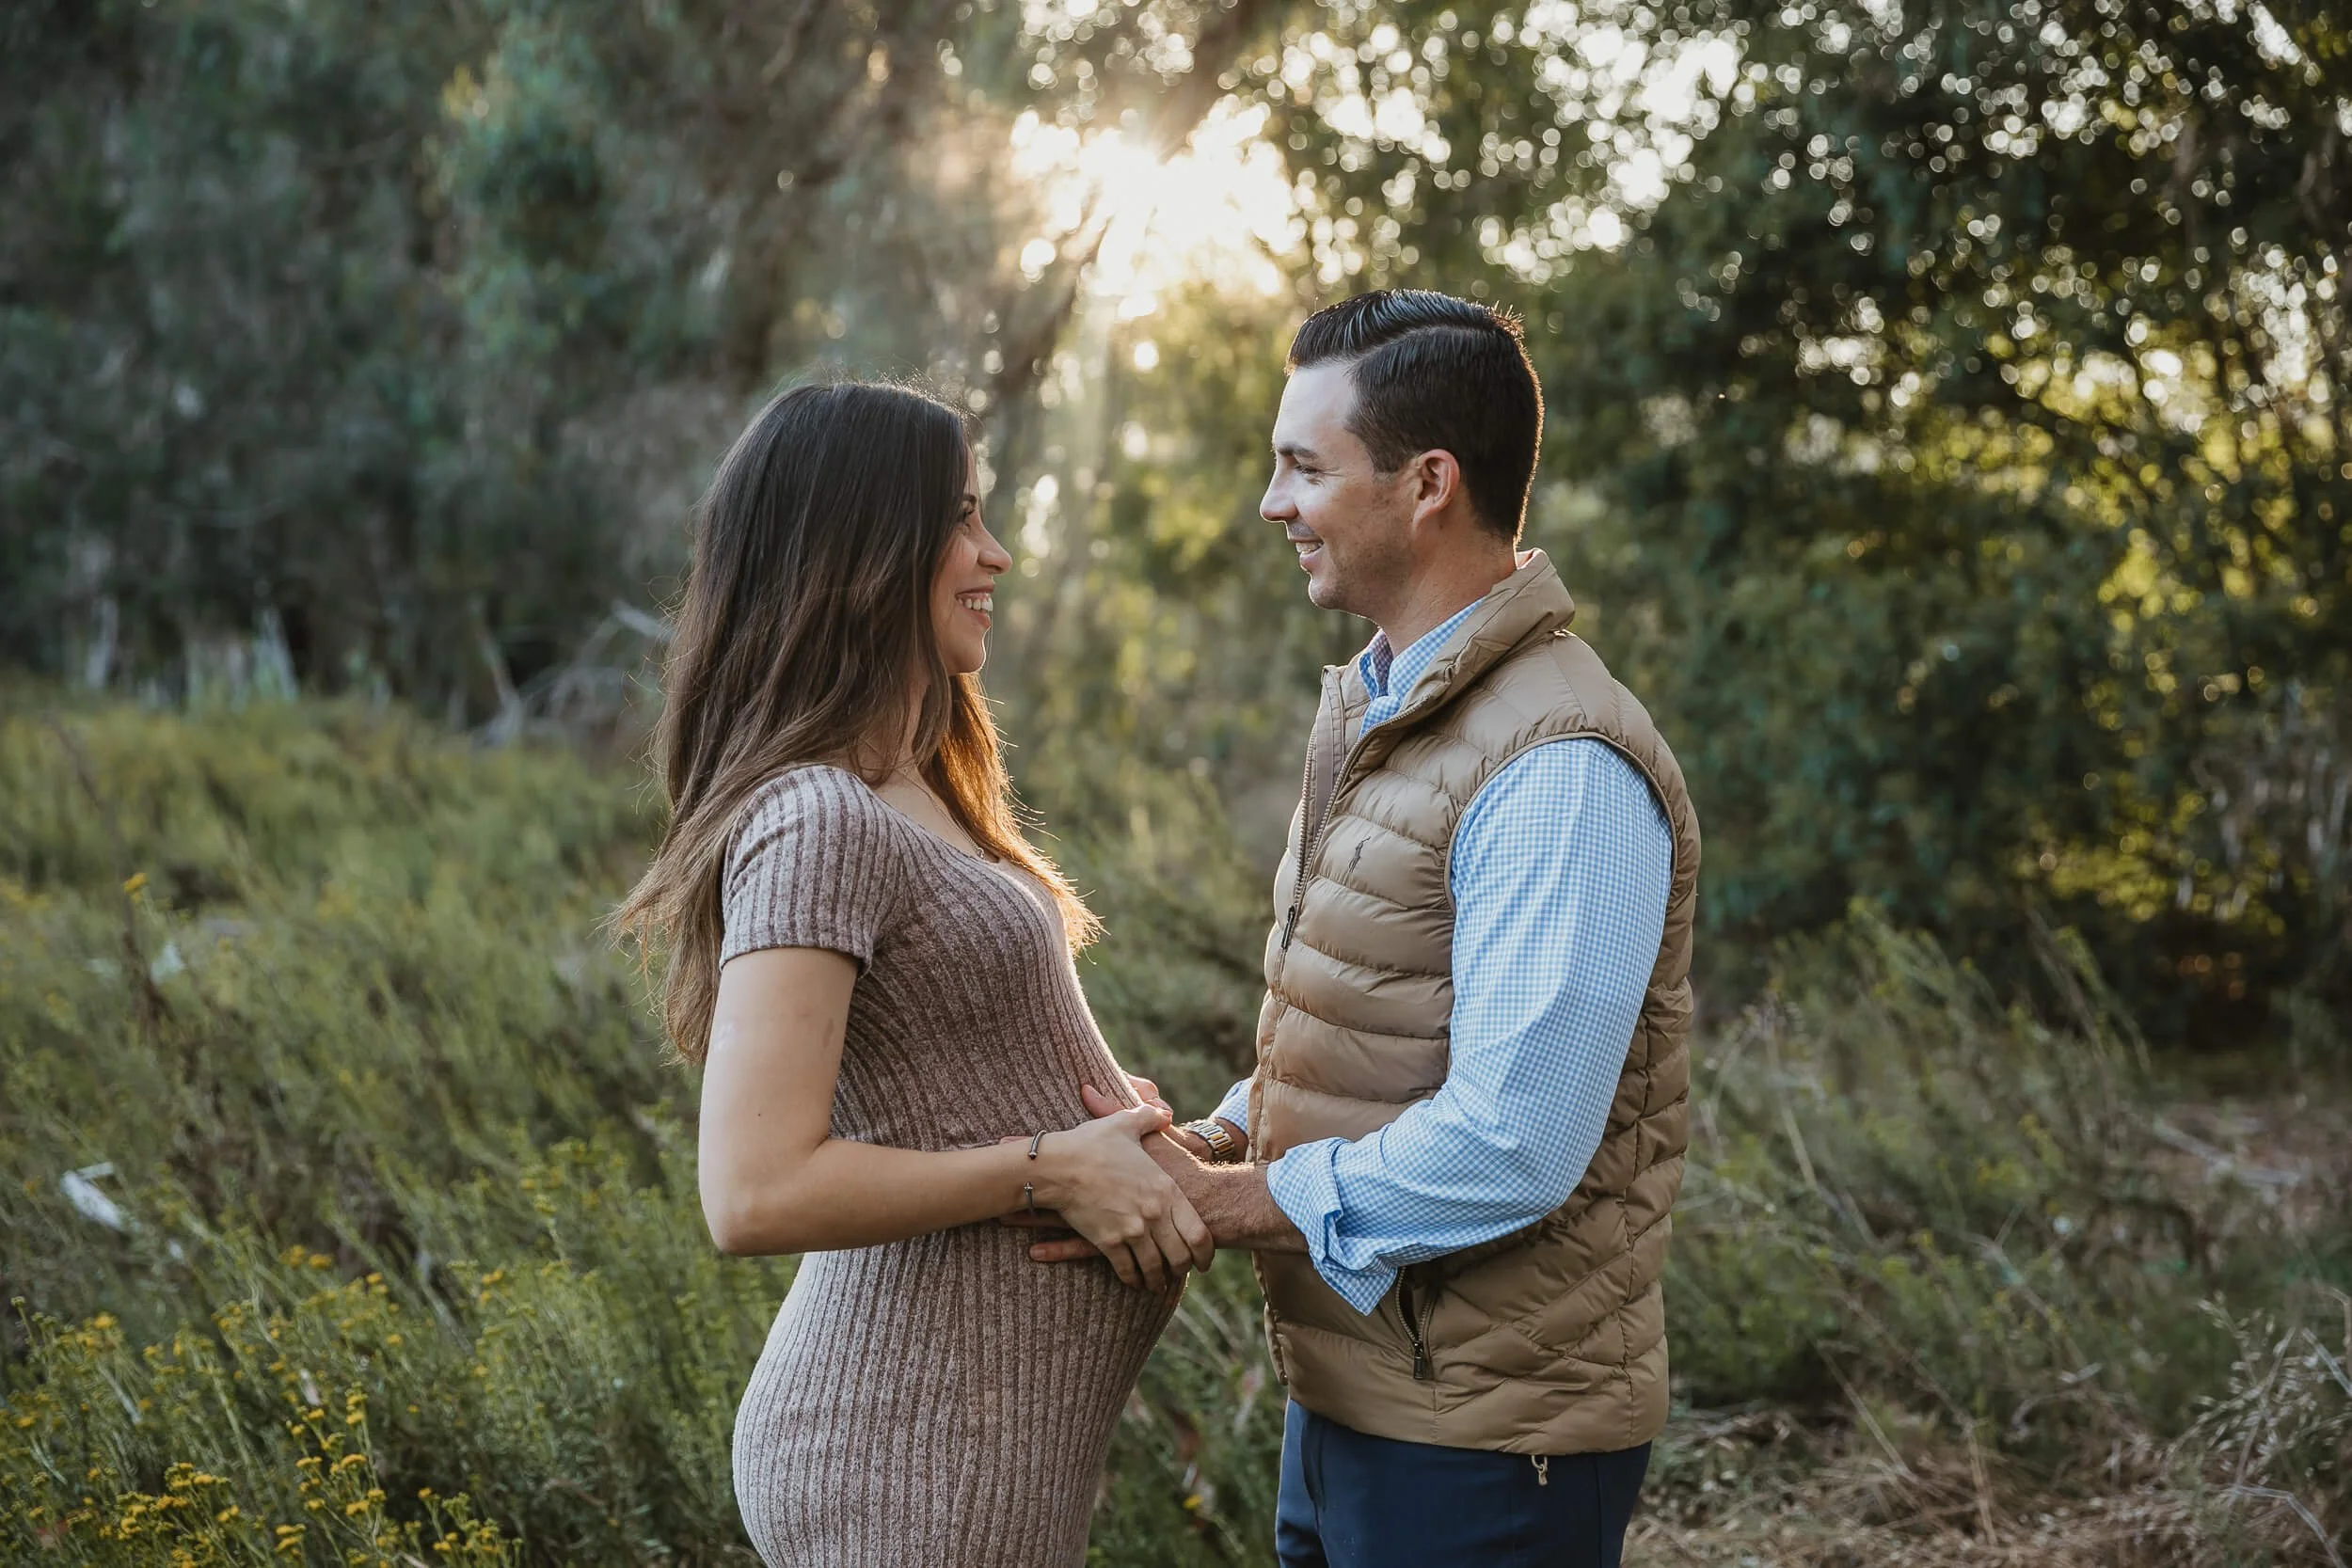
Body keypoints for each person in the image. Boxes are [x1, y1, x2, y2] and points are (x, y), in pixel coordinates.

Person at [1025, 291, 1702, 1568]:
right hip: (1361, 1399)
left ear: (1428, 482)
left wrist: (1232, 1200)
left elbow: (1514, 1139)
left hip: (1489, 1443)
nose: (1273, 504)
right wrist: (1221, 1129)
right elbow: (1387, 1037)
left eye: (1304, 467)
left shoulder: (1558, 762)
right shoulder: (1393, 713)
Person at [616, 379, 1214, 1568]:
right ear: (859, 545)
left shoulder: (916, 780)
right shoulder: (817, 815)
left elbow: (932, 1067)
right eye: (960, 519)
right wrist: (1049, 1168)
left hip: (966, 1456)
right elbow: (754, 1189)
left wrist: (1095, 1119)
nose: (994, 552)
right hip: (903, 1467)